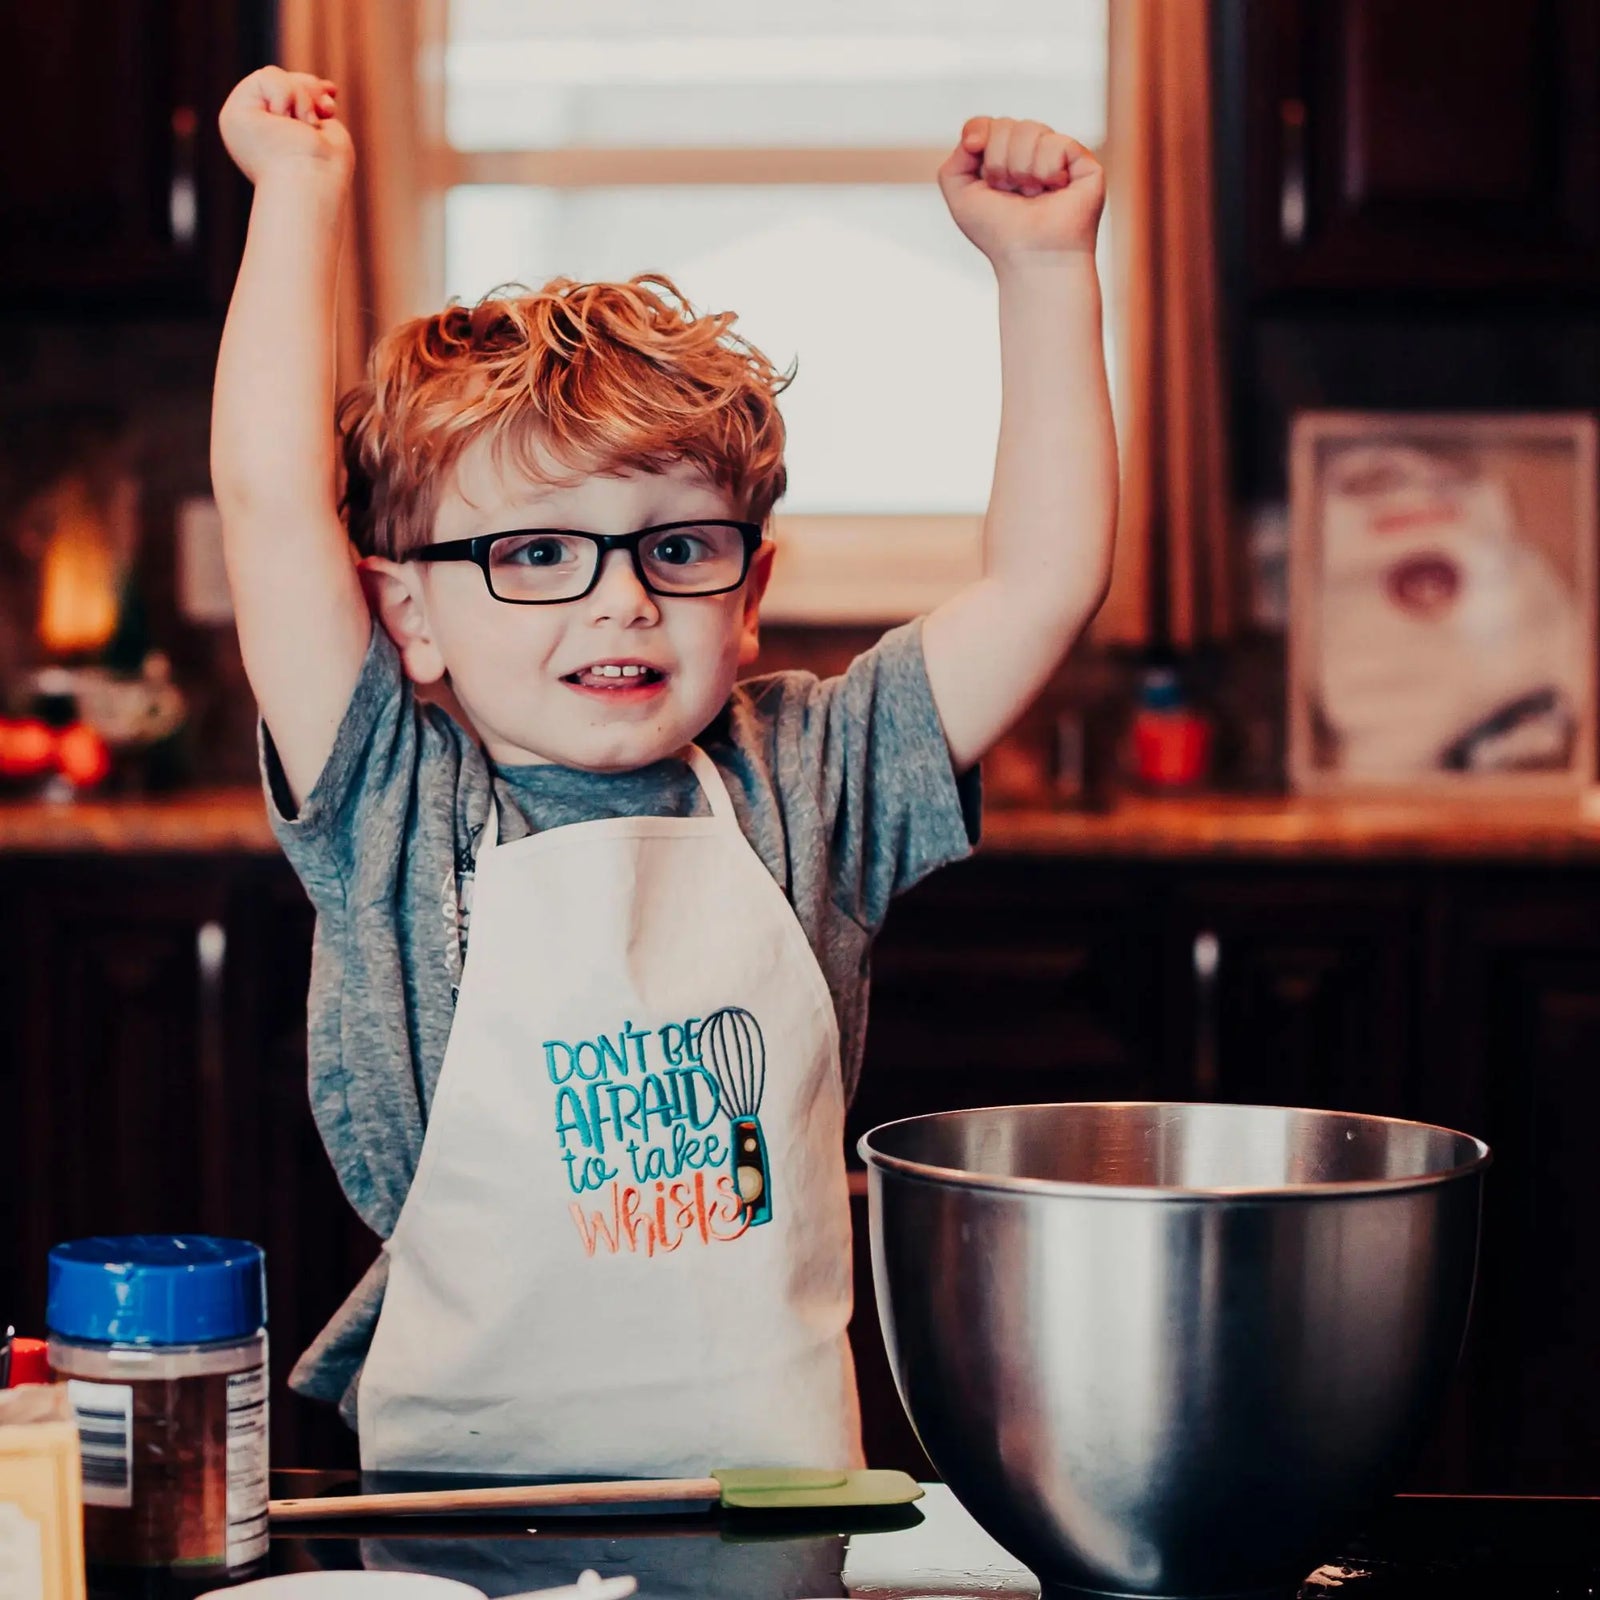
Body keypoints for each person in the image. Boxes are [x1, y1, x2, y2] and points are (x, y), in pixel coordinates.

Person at [213, 65, 1116, 1477]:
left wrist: (1047, 271)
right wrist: (297, 199)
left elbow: (1046, 582)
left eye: (678, 548)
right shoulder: (389, 792)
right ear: (409, 615)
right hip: (464, 1477)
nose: (622, 602)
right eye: (536, 553)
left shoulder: (815, 774)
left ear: (750, 594)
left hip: (769, 1475)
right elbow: (270, 510)